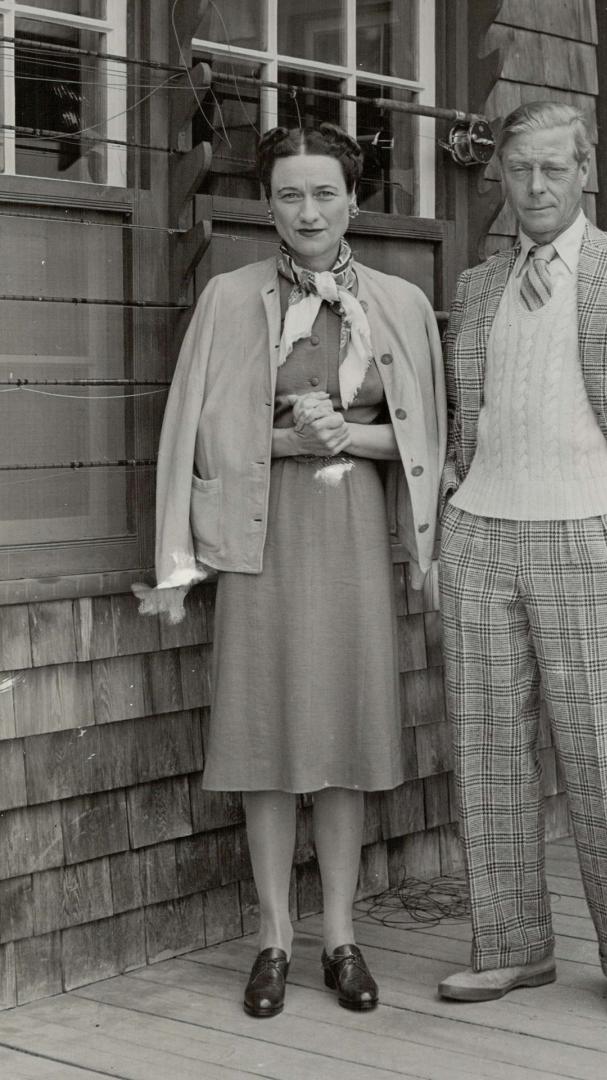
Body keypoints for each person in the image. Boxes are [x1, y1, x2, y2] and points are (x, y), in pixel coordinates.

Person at [137, 123, 445, 1018]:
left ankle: (341, 937)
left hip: (351, 533)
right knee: (267, 743)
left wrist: (350, 433)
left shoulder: (400, 303)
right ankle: (274, 938)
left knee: (345, 743)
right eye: (288, 195)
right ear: (267, 205)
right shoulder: (230, 299)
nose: (307, 211)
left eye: (324, 193)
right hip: (258, 543)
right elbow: (191, 427)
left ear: (354, 200)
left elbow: (431, 443)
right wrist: (281, 436)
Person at [436, 101, 607, 1023]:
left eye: (554, 168)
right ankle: (511, 949)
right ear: (502, 176)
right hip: (482, 536)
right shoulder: (479, 287)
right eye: (519, 170)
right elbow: (463, 421)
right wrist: (449, 514)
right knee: (488, 758)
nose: (536, 187)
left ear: (585, 170)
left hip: (595, 538)